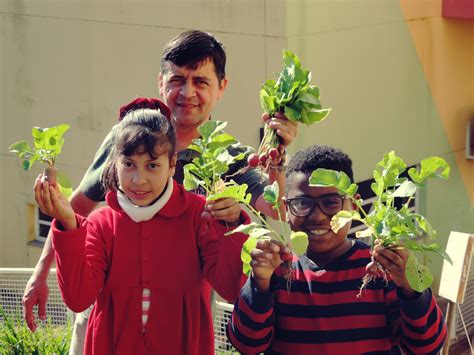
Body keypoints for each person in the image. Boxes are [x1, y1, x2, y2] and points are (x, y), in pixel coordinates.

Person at [22, 29, 297, 353]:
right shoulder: (127, 137)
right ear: (161, 82)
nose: (187, 91)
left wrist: (277, 154)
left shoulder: (227, 155)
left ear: (221, 87)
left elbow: (277, 208)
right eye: (178, 79)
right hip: (106, 313)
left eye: (201, 81)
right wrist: (40, 272)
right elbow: (78, 207)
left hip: (179, 319)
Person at [34, 107, 250, 354]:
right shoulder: (101, 222)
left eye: (153, 165)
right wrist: (68, 224)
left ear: (172, 164)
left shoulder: (199, 216)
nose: (139, 179)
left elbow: (233, 289)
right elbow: (78, 298)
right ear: (115, 164)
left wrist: (229, 224)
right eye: (129, 164)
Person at [227, 144, 447, 354]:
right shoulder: (275, 270)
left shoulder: (381, 269)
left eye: (331, 202)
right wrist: (259, 284)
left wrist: (410, 286)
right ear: (286, 207)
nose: (317, 215)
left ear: (355, 204)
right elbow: (247, 345)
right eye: (303, 204)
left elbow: (426, 346)